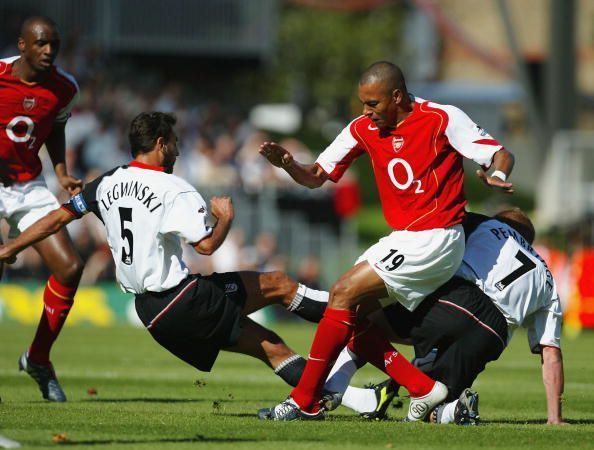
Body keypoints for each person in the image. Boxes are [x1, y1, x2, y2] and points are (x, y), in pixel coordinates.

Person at [0, 111, 334, 390]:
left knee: (271, 345)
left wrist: (11, 246)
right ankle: (346, 314)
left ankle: (339, 394)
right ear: (161, 144)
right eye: (174, 142)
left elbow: (55, 219)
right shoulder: (173, 188)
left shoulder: (106, 183)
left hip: (150, 312)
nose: (176, 149)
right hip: (182, 298)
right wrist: (225, 219)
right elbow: (206, 247)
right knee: (278, 284)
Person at [258, 61, 515, 421]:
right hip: (404, 238)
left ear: (397, 96)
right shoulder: (362, 128)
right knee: (350, 311)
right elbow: (316, 176)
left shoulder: (441, 118)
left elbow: (500, 153)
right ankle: (423, 388)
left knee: (343, 292)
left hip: (437, 236)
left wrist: (498, 173)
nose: (366, 112)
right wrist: (288, 165)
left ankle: (305, 400)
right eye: (362, 103)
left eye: (373, 104)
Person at [325, 209, 565, 425]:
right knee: (436, 407)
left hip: (460, 303)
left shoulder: (485, 224)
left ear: (502, 223)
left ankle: (335, 385)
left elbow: (434, 236)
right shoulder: (546, 277)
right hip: (493, 336)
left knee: (366, 318)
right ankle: (454, 409)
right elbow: (551, 352)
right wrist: (554, 417)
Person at [0, 16, 83, 402]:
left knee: (70, 267)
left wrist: (62, 172)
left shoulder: (64, 88)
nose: (49, 51)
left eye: (55, 44)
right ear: (22, 45)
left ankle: (38, 358)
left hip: (29, 185)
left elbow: (57, 125)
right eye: (41, 44)